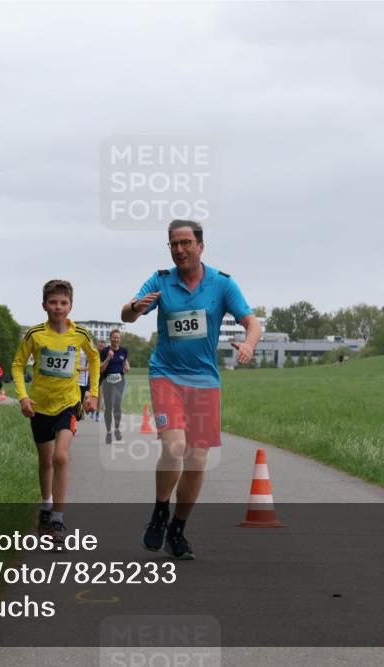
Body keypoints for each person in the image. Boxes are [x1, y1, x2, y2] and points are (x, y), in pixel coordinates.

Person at [120, 219, 261, 560]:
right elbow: (127, 314)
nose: (179, 249)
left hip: (204, 380)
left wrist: (249, 344)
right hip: (166, 375)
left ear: (200, 246)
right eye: (173, 244)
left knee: (197, 459)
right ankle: (160, 512)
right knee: (175, 447)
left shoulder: (221, 283)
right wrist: (134, 308)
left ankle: (177, 530)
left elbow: (252, 322)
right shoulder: (161, 280)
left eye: (185, 243)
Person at [12, 279, 99, 544]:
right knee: (46, 460)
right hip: (39, 406)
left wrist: (93, 393)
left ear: (70, 306)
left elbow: (94, 359)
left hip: (68, 404)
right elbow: (17, 365)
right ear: (44, 305)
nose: (58, 307)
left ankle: (58, 518)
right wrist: (23, 397)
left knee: (60, 457)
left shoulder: (80, 334)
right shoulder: (35, 334)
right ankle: (47, 506)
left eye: (63, 303)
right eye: (53, 302)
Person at [100, 329, 130, 444]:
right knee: (108, 406)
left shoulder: (123, 351)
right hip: (107, 381)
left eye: (118, 337)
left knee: (117, 404)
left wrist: (127, 366)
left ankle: (117, 429)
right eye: (114, 337)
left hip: (119, 381)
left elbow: (125, 361)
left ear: (120, 339)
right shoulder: (104, 351)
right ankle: (109, 432)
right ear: (110, 338)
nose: (116, 339)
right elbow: (101, 369)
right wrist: (108, 358)